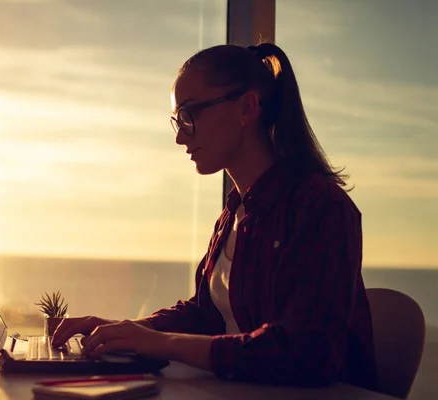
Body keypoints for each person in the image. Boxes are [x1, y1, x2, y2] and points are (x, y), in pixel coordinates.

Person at [52, 42, 377, 390]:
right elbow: (205, 314)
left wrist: (161, 343)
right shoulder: (235, 211)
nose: (180, 136)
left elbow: (306, 353)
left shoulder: (320, 207)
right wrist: (129, 330)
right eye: (178, 119)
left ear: (246, 107)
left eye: (190, 114)